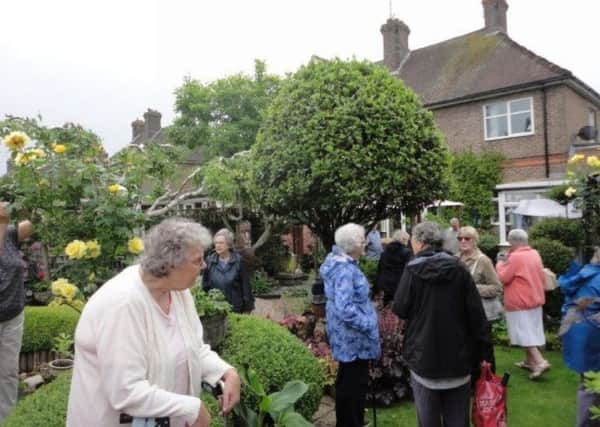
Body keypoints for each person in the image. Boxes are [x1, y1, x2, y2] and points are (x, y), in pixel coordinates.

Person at [67, 218, 241, 427]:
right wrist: (191, 409)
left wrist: (225, 372)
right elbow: (126, 391)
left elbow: (194, 349)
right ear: (170, 264)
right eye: (197, 260)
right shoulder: (122, 303)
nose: (204, 266)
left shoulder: (178, 293)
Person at [392, 221, 491, 427]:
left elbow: (400, 308)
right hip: (458, 357)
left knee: (428, 421)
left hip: (424, 356)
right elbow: (477, 317)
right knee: (457, 420)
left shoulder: (412, 271)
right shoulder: (460, 269)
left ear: (419, 242)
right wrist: (485, 354)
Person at [320, 223, 381, 427]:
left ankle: (348, 422)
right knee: (353, 387)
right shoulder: (345, 269)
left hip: (347, 338)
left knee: (348, 383)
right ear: (352, 245)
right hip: (352, 340)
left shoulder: (342, 263)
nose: (367, 243)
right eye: (363, 240)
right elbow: (345, 308)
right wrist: (368, 323)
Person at [496, 228, 549, 379]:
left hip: (520, 300)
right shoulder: (534, 253)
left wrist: (500, 263)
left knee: (523, 332)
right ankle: (528, 361)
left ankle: (539, 362)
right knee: (531, 330)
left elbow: (503, 277)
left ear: (513, 242)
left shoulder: (515, 257)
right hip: (535, 298)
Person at [558, 247, 600, 427]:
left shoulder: (583, 274)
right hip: (592, 338)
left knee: (588, 384)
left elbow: (573, 306)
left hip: (580, 335)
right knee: (592, 387)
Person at [0, 203, 33, 423]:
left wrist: (27, 199)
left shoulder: (10, 234)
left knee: (8, 373)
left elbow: (31, 224)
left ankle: (8, 419)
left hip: (13, 316)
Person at [457, 226, 503, 372]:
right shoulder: (456, 258)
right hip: (462, 313)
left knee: (483, 350)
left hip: (481, 314)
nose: (463, 241)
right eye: (460, 238)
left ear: (475, 240)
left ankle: (489, 386)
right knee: (466, 349)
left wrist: (473, 288)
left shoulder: (483, 261)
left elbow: (497, 287)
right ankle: (471, 382)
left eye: (467, 238)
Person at [202, 228, 254, 313]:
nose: (218, 246)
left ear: (229, 244)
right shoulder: (210, 261)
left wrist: (247, 309)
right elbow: (205, 285)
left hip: (236, 309)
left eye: (221, 243)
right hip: (216, 309)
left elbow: (246, 286)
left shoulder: (239, 261)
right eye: (216, 243)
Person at [374, 229, 412, 305]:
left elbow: (379, 270)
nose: (407, 243)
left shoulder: (384, 252)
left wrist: (376, 289)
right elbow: (409, 271)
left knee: (386, 310)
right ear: (403, 239)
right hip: (399, 286)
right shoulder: (407, 252)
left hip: (384, 286)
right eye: (407, 241)